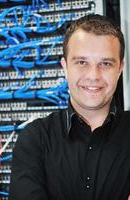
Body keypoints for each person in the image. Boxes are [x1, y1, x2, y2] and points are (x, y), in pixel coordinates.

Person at [9, 14, 130, 200]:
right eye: (82, 62)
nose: (93, 75)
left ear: (120, 68)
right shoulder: (35, 140)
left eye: (105, 63)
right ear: (65, 67)